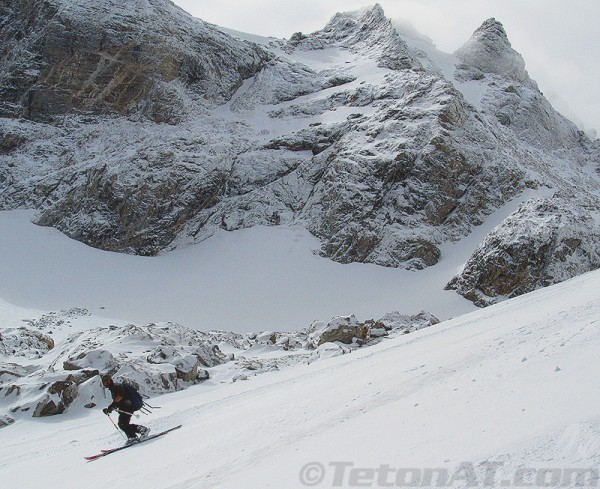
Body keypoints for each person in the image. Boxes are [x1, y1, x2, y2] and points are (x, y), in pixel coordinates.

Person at [101, 375, 149, 442]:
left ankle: (135, 436)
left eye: (104, 382)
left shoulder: (116, 386)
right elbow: (118, 401)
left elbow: (120, 396)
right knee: (123, 424)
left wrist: (111, 407)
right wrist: (110, 409)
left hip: (127, 407)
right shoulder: (114, 388)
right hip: (125, 407)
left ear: (108, 380)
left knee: (122, 424)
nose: (103, 384)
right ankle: (136, 433)